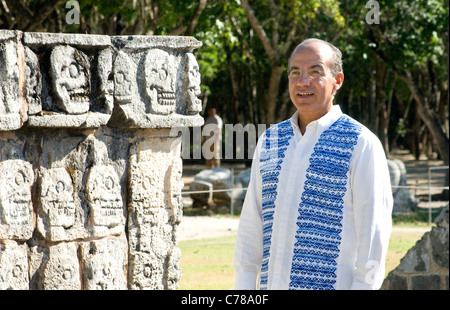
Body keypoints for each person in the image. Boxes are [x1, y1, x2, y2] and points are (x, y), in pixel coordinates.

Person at [233, 38, 393, 290]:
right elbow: (251, 228)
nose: (302, 81)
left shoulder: (361, 143)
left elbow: (373, 239)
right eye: (295, 72)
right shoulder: (271, 140)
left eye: (315, 72)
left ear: (337, 81)